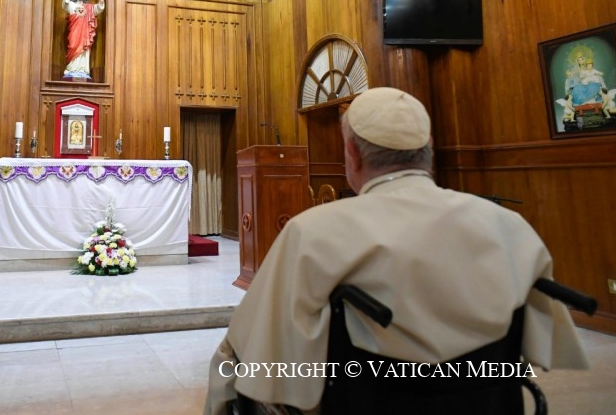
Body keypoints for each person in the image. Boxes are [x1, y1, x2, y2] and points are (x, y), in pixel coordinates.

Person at [204, 87, 589, 414]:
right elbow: (540, 343)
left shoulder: (313, 232)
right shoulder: (509, 227)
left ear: (352, 154)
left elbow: (250, 354)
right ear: (429, 149)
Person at [62, 0, 106, 80]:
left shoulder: (88, 7)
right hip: (74, 31)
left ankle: (82, 70)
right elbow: (65, 6)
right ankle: (71, 69)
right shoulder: (72, 5)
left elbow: (97, 9)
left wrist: (101, 2)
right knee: (73, 46)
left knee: (84, 49)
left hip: (85, 33)